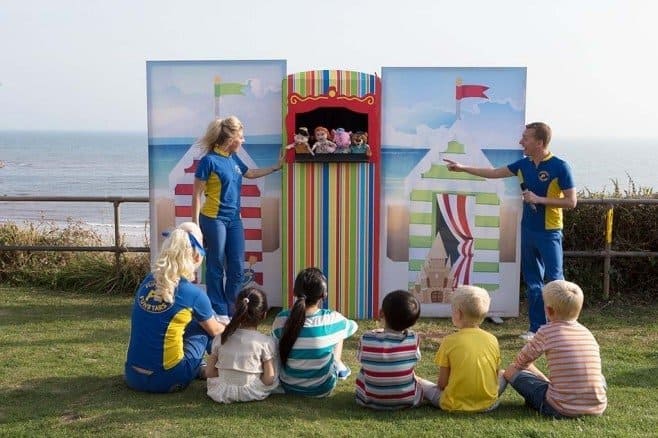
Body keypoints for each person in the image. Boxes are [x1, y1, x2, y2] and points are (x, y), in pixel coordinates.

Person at [443, 122, 576, 341]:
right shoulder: (523, 164)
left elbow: (571, 202)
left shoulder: (560, 166)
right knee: (533, 282)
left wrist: (539, 199)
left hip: (550, 231)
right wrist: (462, 167)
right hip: (528, 229)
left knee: (555, 282)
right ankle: (536, 328)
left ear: (539, 142)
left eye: (526, 138)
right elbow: (494, 173)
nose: (521, 141)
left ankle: (561, 330)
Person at [192, 116, 284, 318]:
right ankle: (218, 310)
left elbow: (249, 173)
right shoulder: (209, 161)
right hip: (213, 219)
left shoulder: (232, 158)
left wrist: (276, 167)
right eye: (241, 137)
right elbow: (197, 194)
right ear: (231, 138)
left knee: (237, 267)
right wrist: (196, 225)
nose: (243, 141)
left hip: (234, 220)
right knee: (215, 265)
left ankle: (232, 309)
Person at [124, 222, 225, 393]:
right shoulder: (194, 294)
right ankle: (225, 367)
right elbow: (216, 331)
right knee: (204, 328)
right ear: (197, 256)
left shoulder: (148, 280)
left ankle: (200, 367)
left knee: (184, 320)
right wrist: (233, 326)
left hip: (133, 376)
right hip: (167, 379)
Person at [503, 280, 607, 418]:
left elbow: (520, 362)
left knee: (511, 370)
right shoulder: (587, 333)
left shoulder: (547, 332)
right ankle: (584, 401)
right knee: (598, 376)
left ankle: (551, 395)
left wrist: (538, 375)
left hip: (559, 408)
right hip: (597, 407)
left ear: (549, 310)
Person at [272, 267, 358, 397]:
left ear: (295, 292)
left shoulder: (281, 319)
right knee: (339, 333)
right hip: (322, 388)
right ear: (324, 294)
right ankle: (338, 364)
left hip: (288, 385)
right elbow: (353, 326)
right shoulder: (333, 319)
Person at [426, 286, 505, 412]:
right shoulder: (492, 339)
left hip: (453, 404)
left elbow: (441, 384)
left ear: (458, 313)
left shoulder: (449, 341)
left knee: (423, 385)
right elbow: (495, 376)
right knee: (503, 374)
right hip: (488, 404)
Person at [355, 290, 436, 410]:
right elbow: (416, 358)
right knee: (419, 381)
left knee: (365, 369)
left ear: (381, 313)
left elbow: (359, 358)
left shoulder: (367, 338)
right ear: (413, 321)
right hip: (408, 401)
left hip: (368, 401)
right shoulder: (413, 339)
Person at [206, 286, 280, 403]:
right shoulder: (266, 342)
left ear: (237, 309)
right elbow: (268, 380)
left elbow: (209, 372)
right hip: (252, 392)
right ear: (264, 315)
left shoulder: (221, 337)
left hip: (222, 392)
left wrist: (226, 376)